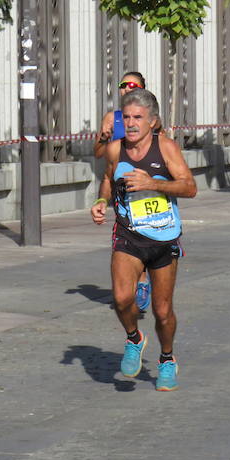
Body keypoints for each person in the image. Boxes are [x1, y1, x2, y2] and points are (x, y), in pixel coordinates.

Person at [91, 88, 197, 391]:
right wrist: (101, 199)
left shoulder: (166, 148)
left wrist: (152, 183)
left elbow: (190, 188)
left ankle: (167, 359)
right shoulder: (115, 149)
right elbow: (110, 178)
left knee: (163, 312)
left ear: (152, 122)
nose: (132, 123)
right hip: (129, 234)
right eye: (127, 117)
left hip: (163, 238)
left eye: (138, 117)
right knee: (122, 298)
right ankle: (134, 338)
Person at [93, 71, 152, 313]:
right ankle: (134, 283)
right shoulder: (112, 118)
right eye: (123, 85)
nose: (127, 89)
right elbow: (97, 152)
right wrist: (105, 138)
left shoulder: (148, 117)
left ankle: (142, 279)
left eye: (133, 85)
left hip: (144, 186)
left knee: (145, 234)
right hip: (119, 188)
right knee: (126, 235)